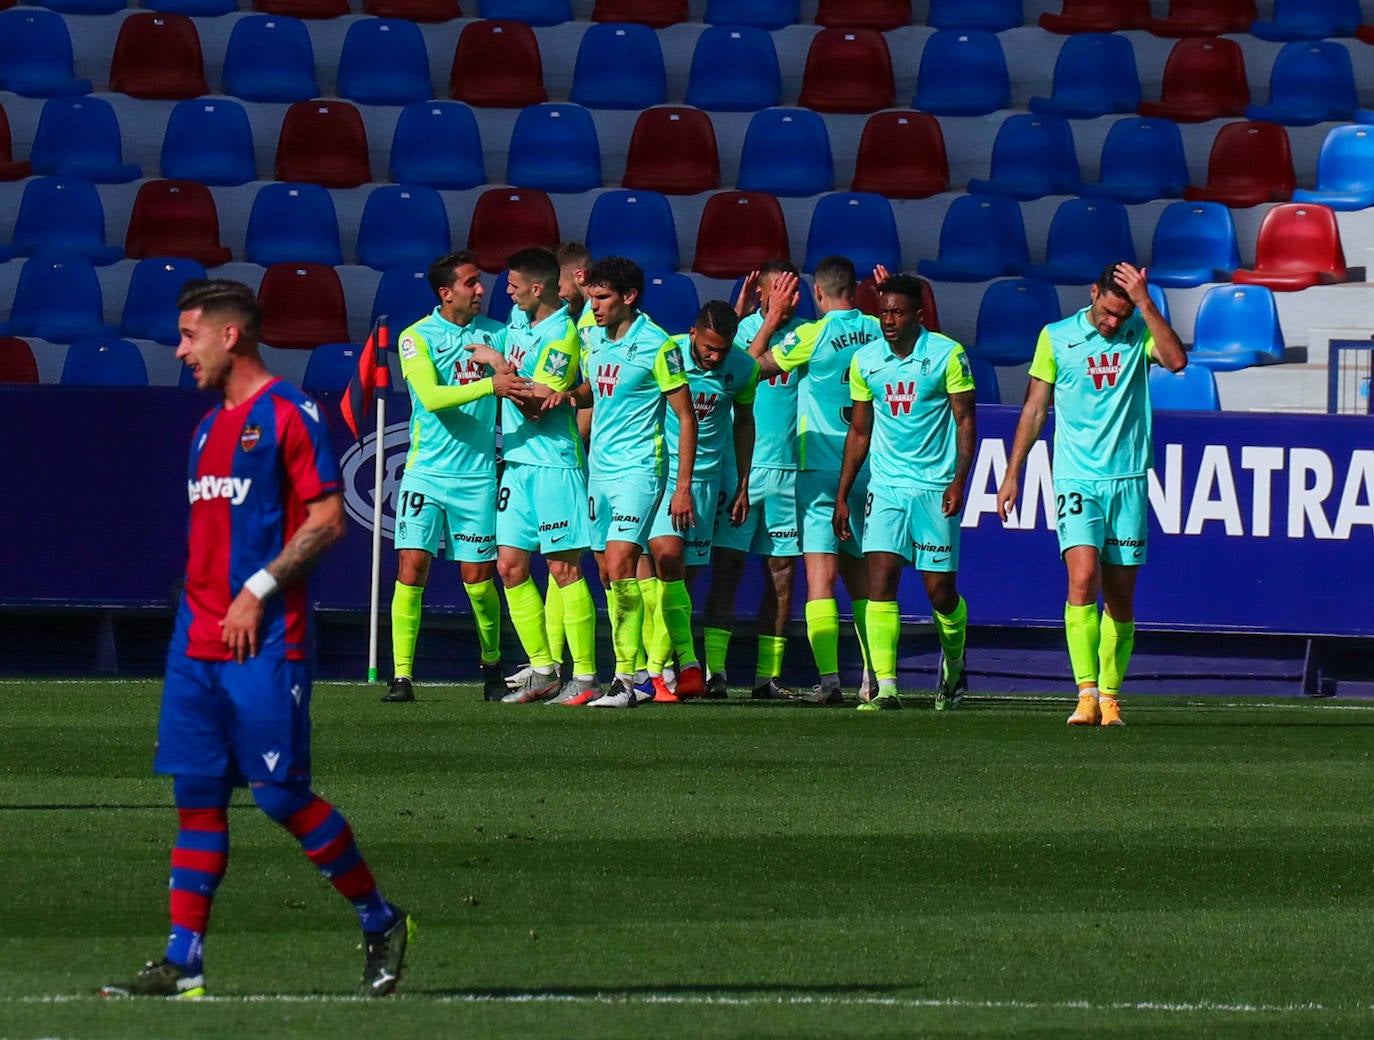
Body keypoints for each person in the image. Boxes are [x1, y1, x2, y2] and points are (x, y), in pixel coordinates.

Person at [102, 279, 412, 1000]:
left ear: (230, 334)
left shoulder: (289, 414)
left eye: (188, 335)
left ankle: (380, 917)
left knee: (277, 796)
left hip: (266, 639)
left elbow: (330, 519)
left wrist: (256, 591)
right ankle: (184, 961)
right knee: (198, 795)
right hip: (198, 642)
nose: (180, 351)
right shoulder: (209, 428)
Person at [996, 262, 1186, 727]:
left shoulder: (1139, 330)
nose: (1112, 323)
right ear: (1093, 293)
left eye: (1121, 315)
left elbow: (1178, 362)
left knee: (1120, 598)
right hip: (1076, 477)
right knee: (1082, 578)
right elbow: (1036, 407)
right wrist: (1013, 471)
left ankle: (1110, 695)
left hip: (1128, 479)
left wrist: (1145, 303)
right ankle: (1084, 693)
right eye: (1107, 311)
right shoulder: (1056, 336)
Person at [382, 252, 529, 705]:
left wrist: (502, 368)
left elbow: (519, 382)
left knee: (479, 578)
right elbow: (429, 396)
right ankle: (402, 677)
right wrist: (490, 384)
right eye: (471, 283)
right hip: (426, 474)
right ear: (446, 293)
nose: (481, 290)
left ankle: (491, 664)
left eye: (480, 282)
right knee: (412, 569)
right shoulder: (416, 337)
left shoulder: (497, 335)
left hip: (478, 477)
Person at [834, 274, 977, 711]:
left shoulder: (947, 354)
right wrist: (843, 494)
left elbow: (965, 422)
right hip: (886, 487)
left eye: (897, 312)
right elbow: (860, 431)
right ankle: (887, 687)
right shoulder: (866, 360)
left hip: (934, 488)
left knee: (940, 594)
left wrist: (958, 481)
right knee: (881, 581)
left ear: (919, 314)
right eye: (883, 312)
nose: (888, 320)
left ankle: (954, 667)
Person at [747, 256, 881, 705]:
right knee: (863, 578)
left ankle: (829, 682)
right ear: (857, 289)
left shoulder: (812, 334)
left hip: (820, 469)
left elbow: (749, 372)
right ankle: (874, 677)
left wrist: (767, 319)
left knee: (820, 576)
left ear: (818, 294)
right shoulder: (881, 330)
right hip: (870, 466)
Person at [568, 256, 698, 708]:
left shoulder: (659, 345)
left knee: (623, 562)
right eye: (592, 297)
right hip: (598, 470)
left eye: (602, 298)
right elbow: (592, 390)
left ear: (629, 297)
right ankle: (642, 672)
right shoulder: (592, 338)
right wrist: (567, 395)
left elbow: (686, 415)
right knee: (607, 571)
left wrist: (682, 486)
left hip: (641, 471)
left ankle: (625, 681)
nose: (595, 306)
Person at [489, 247, 600, 705]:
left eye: (514, 285)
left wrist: (498, 371)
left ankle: (588, 677)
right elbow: (522, 380)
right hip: (517, 461)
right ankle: (543, 670)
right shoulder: (517, 322)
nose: (508, 292)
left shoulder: (564, 336)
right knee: (509, 566)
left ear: (538, 288)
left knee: (563, 568)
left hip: (555, 464)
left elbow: (537, 405)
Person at [641, 301, 758, 702]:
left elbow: (744, 421)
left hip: (706, 481)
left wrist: (743, 483)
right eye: (708, 348)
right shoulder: (668, 354)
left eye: (722, 350)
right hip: (661, 476)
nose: (714, 356)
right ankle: (669, 668)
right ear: (692, 334)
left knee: (681, 580)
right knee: (667, 561)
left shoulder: (742, 368)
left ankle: (660, 671)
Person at [701, 260, 805, 700]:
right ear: (759, 292)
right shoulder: (738, 334)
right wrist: (766, 320)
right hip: (739, 468)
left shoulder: (807, 335)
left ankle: (767, 677)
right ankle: (714, 673)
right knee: (727, 570)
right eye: (777, 290)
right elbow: (742, 371)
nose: (787, 299)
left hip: (787, 470)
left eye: (793, 291)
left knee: (782, 574)